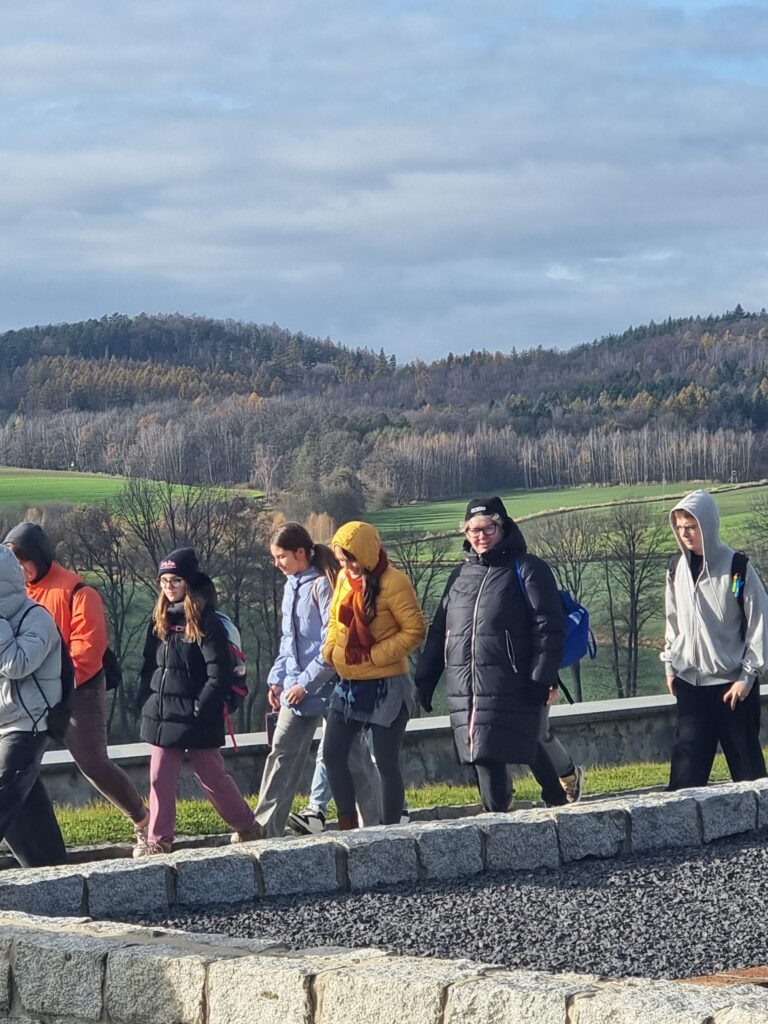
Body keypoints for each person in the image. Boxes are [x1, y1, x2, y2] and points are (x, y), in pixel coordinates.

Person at [415, 497, 569, 811]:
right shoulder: (459, 577)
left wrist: (540, 678)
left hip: (513, 680)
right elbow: (439, 630)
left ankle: (557, 800)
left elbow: (549, 628)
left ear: (502, 527)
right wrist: (424, 679)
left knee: (519, 739)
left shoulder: (528, 569)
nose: (480, 536)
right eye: (473, 531)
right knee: (483, 753)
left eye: (487, 528)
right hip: (467, 685)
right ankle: (498, 819)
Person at [4, 522, 150, 848]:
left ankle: (142, 819)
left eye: (22, 561)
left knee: (92, 761)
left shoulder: (79, 592)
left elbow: (88, 651)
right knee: (15, 763)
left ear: (39, 557)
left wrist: (57, 688)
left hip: (79, 687)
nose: (19, 570)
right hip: (29, 691)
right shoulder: (17, 594)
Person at [255, 523, 381, 837]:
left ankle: (379, 825)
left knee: (354, 758)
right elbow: (289, 640)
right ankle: (264, 829)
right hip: (297, 688)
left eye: (281, 556)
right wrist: (278, 678)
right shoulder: (290, 586)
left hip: (335, 687)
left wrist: (303, 684)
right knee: (282, 754)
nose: (277, 564)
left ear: (301, 552)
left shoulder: (326, 586)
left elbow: (333, 645)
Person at [137, 547, 260, 854]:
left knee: (212, 777)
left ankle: (247, 827)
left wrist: (199, 709)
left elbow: (219, 674)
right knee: (159, 778)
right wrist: (146, 700)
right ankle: (158, 842)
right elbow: (149, 666)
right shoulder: (160, 620)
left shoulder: (208, 623)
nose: (169, 586)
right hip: (164, 714)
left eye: (176, 580)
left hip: (197, 714)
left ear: (189, 583)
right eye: (164, 580)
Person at [322, 521, 425, 829]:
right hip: (349, 683)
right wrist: (331, 652)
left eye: (350, 559)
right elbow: (334, 619)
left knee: (386, 761)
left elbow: (415, 630)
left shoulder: (395, 582)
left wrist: (377, 656)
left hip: (387, 685)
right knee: (332, 753)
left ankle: (390, 829)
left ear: (366, 554)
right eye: (341, 560)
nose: (346, 566)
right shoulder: (343, 578)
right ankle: (348, 825)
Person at [663, 489, 768, 790]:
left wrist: (747, 678)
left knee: (749, 777)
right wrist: (671, 665)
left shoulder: (737, 569)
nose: (685, 535)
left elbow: (760, 623)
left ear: (708, 525)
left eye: (692, 527)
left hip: (732, 690)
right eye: (680, 528)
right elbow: (672, 620)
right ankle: (681, 836)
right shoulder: (675, 569)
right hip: (691, 687)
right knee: (683, 783)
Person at [0, 543, 68, 868]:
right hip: (4, 724)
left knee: (5, 794)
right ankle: (52, 873)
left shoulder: (36, 617)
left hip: (28, 726)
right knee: (25, 812)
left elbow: (16, 663)